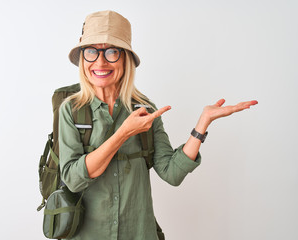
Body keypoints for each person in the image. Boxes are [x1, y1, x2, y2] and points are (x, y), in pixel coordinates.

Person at [58, 10, 258, 240]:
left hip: (139, 232)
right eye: (91, 51)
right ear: (83, 58)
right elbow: (72, 180)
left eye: (112, 51)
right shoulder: (71, 110)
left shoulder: (146, 110)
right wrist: (124, 133)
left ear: (126, 59)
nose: (100, 62)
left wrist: (202, 124)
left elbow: (171, 173)